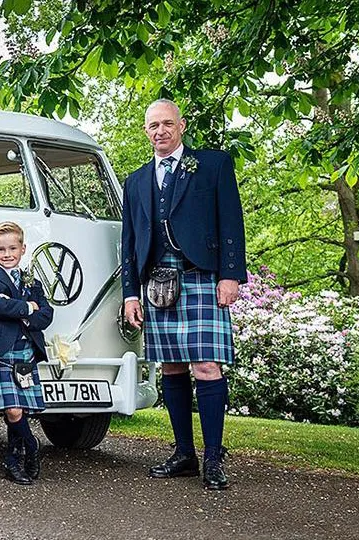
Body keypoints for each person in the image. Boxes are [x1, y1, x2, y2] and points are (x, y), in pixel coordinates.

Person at [121, 98, 246, 490]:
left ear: (182, 125)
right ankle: (184, 454)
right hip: (157, 283)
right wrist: (130, 294)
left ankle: (213, 457)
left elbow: (231, 220)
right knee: (172, 368)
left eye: (167, 124)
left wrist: (230, 275)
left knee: (207, 367)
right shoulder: (136, 180)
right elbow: (129, 242)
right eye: (153, 126)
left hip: (200, 277)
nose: (160, 131)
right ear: (146, 131)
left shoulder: (212, 164)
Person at [0, 221, 53, 485]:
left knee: (20, 412)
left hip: (26, 352)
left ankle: (12, 460)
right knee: (13, 409)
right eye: (0, 249)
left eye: (12, 248)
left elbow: (46, 315)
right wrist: (28, 308)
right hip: (1, 352)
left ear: (22, 249)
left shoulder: (34, 282)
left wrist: (21, 309)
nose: (6, 254)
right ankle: (31, 446)